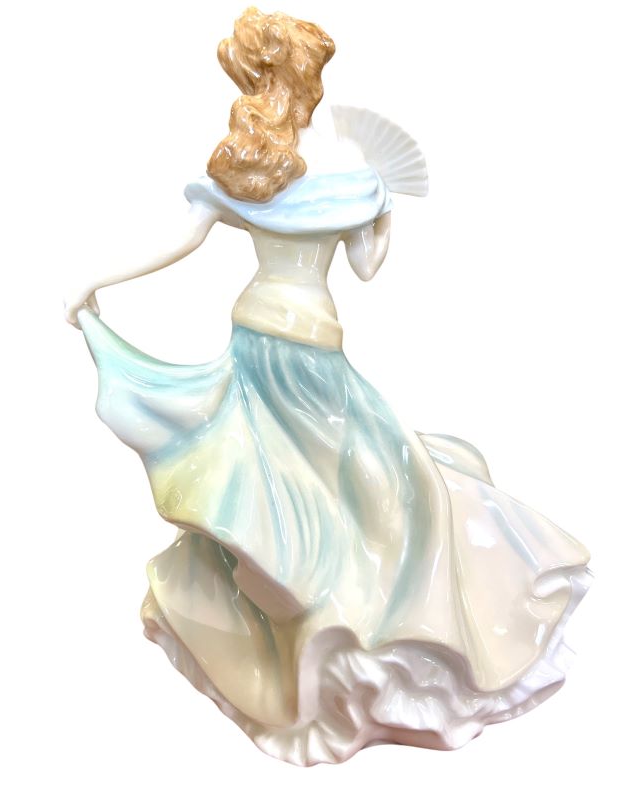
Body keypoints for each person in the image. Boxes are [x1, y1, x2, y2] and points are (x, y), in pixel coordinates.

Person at [65, 7, 592, 766]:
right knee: (349, 490)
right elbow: (215, 240)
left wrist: (384, 210)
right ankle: (333, 645)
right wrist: (97, 279)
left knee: (343, 487)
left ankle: (334, 645)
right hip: (283, 346)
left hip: (290, 347)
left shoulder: (317, 163)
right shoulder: (276, 161)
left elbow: (348, 263)